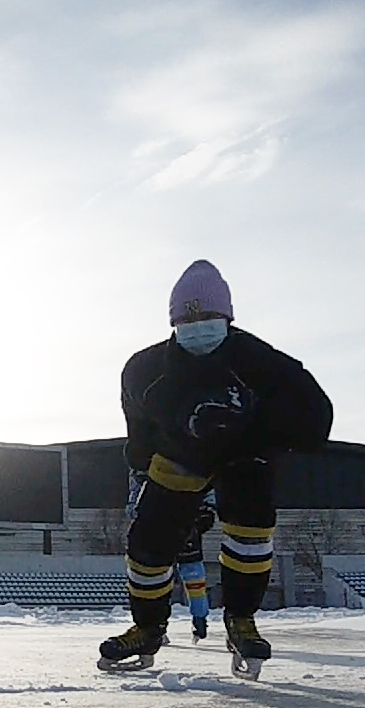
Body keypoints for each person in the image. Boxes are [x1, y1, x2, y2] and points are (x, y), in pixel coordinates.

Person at [102, 259, 333, 680]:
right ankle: (147, 626)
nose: (198, 325)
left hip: (245, 455)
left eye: (208, 317)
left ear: (227, 318)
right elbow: (139, 430)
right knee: (148, 541)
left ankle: (241, 618)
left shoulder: (263, 363)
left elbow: (315, 419)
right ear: (174, 322)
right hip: (180, 457)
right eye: (188, 318)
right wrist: (144, 468)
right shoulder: (144, 370)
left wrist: (255, 428)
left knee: (251, 522)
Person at [127, 471, 217, 640]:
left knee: (190, 574)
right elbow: (136, 490)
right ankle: (157, 623)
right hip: (162, 523)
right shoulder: (145, 463)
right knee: (162, 577)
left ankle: (197, 619)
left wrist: (207, 512)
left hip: (185, 522)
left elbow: (208, 483)